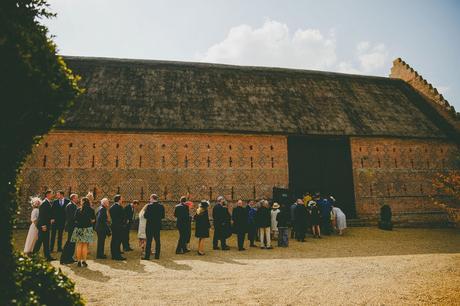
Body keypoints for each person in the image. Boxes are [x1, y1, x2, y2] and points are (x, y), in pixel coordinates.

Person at [71, 197, 95, 267]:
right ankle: (84, 261)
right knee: (85, 246)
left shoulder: (78, 209)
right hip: (87, 228)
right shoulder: (91, 210)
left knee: (79, 245)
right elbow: (93, 220)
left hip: (79, 228)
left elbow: (75, 219)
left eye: (81, 201)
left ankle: (78, 261)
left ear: (83, 202)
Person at [33, 190, 55, 261]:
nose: (53, 195)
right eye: (52, 194)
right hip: (43, 226)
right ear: (48, 195)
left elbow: (47, 214)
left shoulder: (48, 203)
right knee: (40, 240)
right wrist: (42, 225)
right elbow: (41, 216)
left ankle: (47, 256)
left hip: (47, 225)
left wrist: (51, 219)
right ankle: (34, 255)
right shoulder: (44, 203)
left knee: (46, 241)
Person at [143, 194, 165, 260]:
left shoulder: (149, 206)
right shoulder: (161, 206)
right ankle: (157, 256)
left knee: (149, 241)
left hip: (150, 225)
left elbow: (145, 216)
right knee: (157, 241)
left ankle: (147, 256)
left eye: (150, 198)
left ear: (152, 198)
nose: (150, 200)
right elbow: (163, 216)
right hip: (157, 225)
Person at [60, 193, 79, 264]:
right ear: (73, 198)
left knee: (72, 242)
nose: (77, 199)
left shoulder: (73, 205)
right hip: (71, 226)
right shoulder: (70, 205)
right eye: (76, 198)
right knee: (69, 242)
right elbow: (72, 217)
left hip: (73, 226)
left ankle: (70, 257)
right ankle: (64, 259)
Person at [109, 194, 126, 260]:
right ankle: (117, 256)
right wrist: (124, 223)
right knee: (118, 241)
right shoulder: (119, 207)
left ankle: (114, 254)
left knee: (114, 240)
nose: (122, 200)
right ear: (119, 200)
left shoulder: (112, 207)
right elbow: (122, 217)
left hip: (114, 225)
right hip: (119, 226)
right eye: (121, 199)